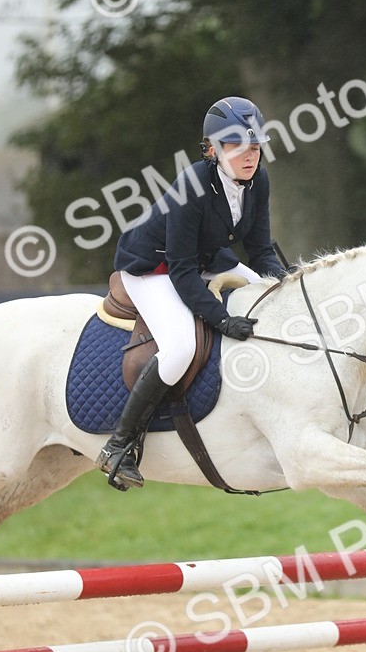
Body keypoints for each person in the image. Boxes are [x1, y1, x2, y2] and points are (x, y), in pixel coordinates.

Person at [96, 96, 286, 491]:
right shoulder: (194, 182)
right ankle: (120, 444)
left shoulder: (258, 181)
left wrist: (288, 285)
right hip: (153, 266)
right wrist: (221, 319)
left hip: (203, 256)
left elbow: (261, 250)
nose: (248, 155)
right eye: (236, 146)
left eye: (255, 146)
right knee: (181, 347)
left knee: (269, 296)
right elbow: (181, 271)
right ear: (213, 149)